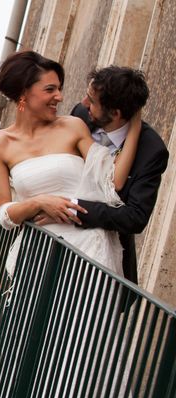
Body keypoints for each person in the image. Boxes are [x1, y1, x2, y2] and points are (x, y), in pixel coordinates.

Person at [0, 51, 141, 276]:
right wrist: (39, 202)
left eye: (59, 88)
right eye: (50, 89)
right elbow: (5, 215)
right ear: (24, 93)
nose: (59, 96)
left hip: (89, 252)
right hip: (38, 254)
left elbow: (113, 181)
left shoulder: (73, 126)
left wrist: (135, 122)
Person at [64, 67, 169, 283]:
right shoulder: (80, 116)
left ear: (116, 113)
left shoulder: (151, 150)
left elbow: (136, 217)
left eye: (92, 101)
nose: (84, 103)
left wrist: (75, 207)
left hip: (99, 265)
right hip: (53, 239)